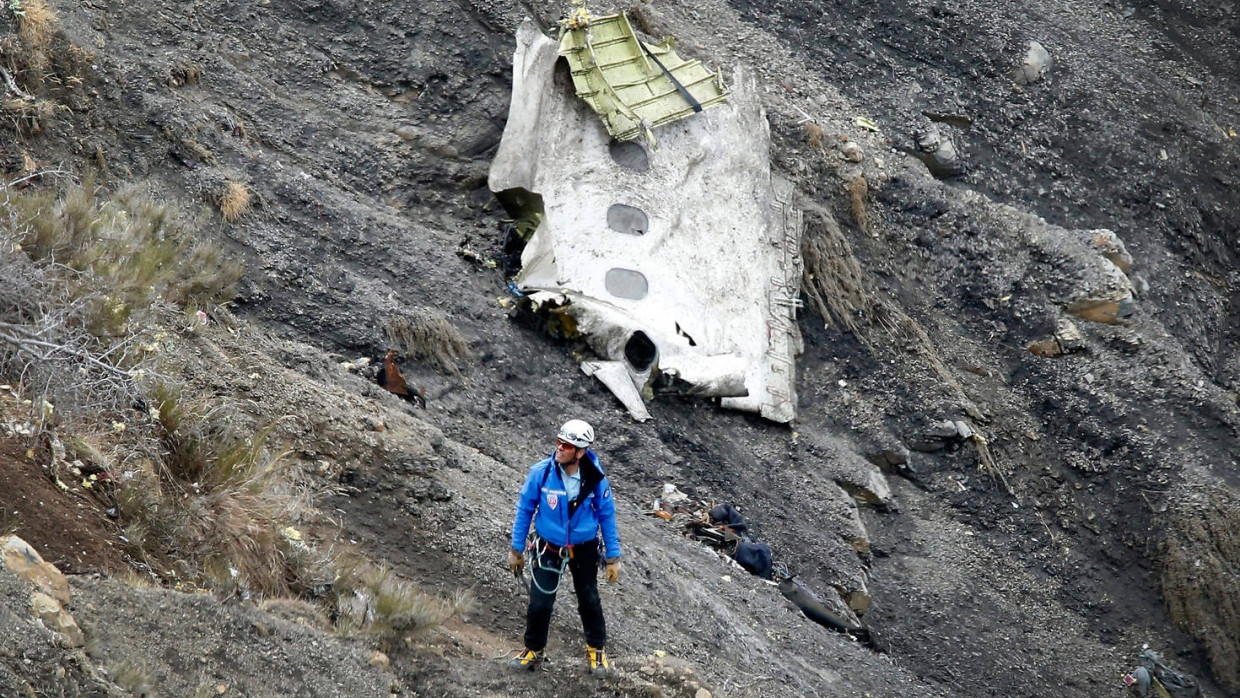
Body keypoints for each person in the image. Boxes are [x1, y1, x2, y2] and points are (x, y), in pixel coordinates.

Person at [507, 419, 621, 675]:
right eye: (558, 442)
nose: (558, 448)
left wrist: (613, 556)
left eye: (565, 445)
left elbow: (607, 514)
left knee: (589, 599)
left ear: (580, 452)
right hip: (549, 546)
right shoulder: (541, 473)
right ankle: (533, 650)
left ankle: (596, 651)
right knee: (540, 602)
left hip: (584, 547)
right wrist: (516, 550)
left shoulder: (595, 478)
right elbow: (525, 509)